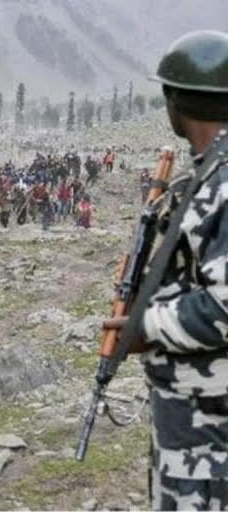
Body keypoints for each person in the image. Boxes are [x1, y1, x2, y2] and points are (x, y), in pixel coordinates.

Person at [107, 30, 228, 510]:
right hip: (197, 414)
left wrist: (144, 326)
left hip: (211, 433)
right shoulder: (209, 171)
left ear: (174, 100)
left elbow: (224, 305)